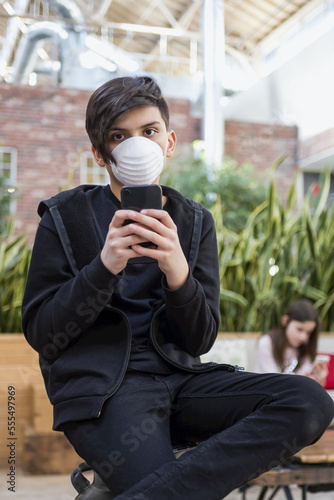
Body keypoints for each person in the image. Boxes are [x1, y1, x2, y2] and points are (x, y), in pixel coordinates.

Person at [22, 76, 334, 500]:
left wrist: (178, 273)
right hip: (106, 394)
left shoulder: (194, 221)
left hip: (184, 382)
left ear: (168, 142)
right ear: (100, 153)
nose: (138, 145)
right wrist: (104, 265)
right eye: (119, 136)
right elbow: (43, 334)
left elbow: (199, 339)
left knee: (309, 401)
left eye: (148, 132)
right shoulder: (64, 216)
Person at [255, 299, 329, 386]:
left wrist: (319, 379)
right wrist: (304, 382)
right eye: (299, 329)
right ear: (285, 321)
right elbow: (271, 384)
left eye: (308, 332)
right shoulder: (267, 343)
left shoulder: (305, 347)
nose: (303, 337)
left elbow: (307, 388)